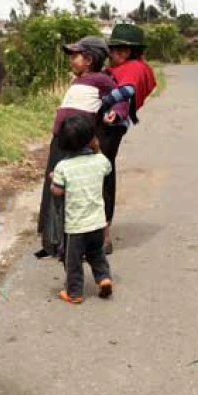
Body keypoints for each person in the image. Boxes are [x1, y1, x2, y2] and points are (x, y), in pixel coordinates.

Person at [35, 36, 127, 260]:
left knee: (78, 191)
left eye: (74, 56)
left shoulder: (102, 80)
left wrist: (116, 113)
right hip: (60, 142)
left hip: (78, 144)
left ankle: (89, 241)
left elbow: (121, 99)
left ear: (89, 59)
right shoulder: (78, 81)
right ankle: (55, 240)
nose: (71, 61)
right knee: (54, 186)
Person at [97, 23, 158, 254]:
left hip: (109, 126)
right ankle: (101, 233)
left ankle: (103, 236)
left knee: (102, 173)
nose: (110, 55)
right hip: (114, 126)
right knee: (104, 171)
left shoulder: (132, 69)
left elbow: (127, 91)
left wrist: (103, 102)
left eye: (113, 50)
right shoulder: (140, 68)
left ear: (125, 51)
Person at [50, 115, 114, 304]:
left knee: (73, 261)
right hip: (97, 222)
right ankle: (104, 278)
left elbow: (58, 191)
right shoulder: (100, 160)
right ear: (92, 138)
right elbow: (107, 170)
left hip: (76, 227)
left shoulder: (62, 167)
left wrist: (53, 180)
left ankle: (74, 292)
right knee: (97, 253)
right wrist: (97, 148)